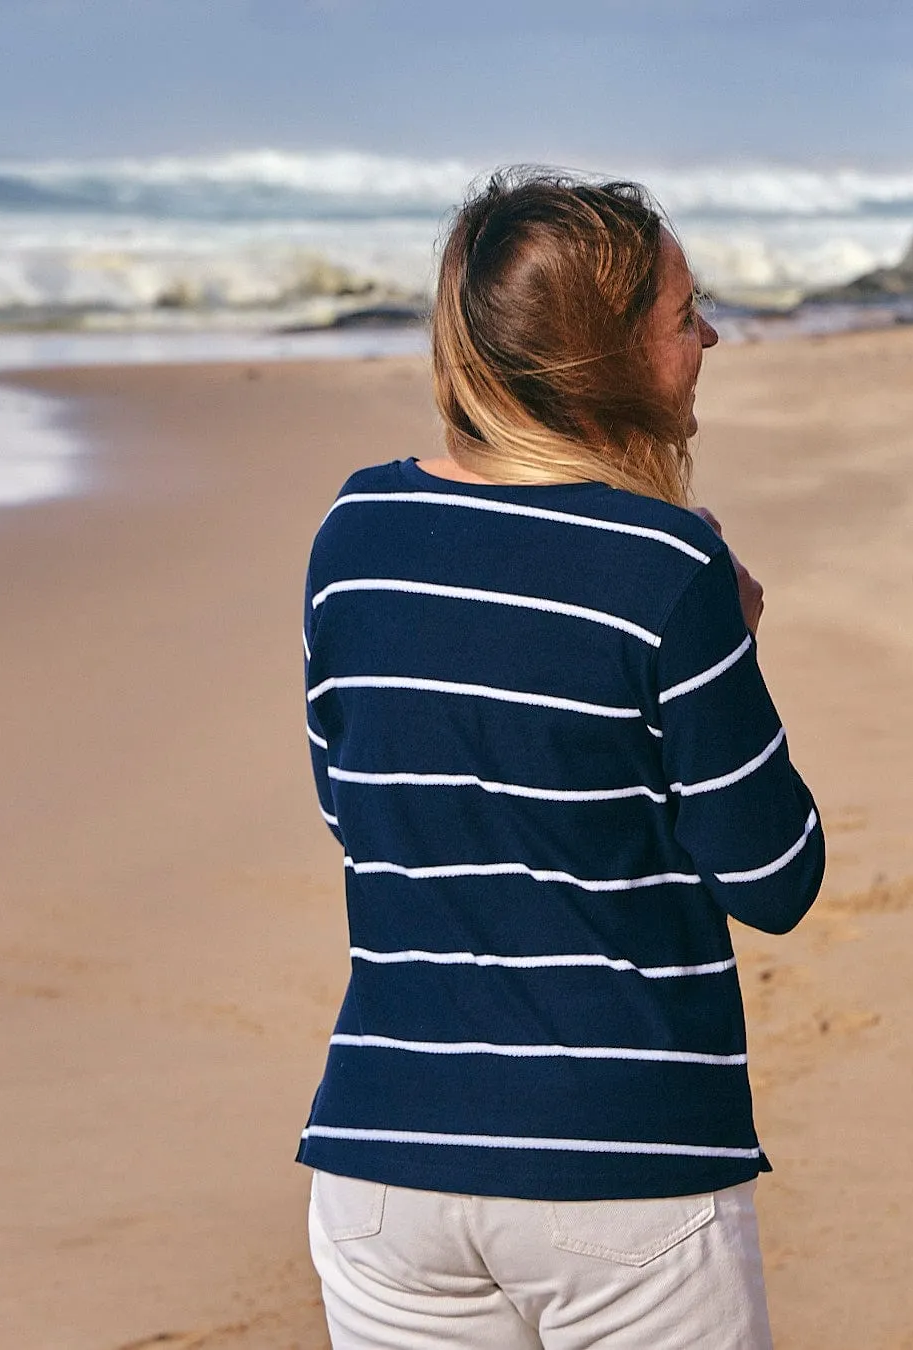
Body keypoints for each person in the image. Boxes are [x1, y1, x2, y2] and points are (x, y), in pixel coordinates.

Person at [297, 170, 824, 1348]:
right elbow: (777, 876)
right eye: (684, 315)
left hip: (385, 1160)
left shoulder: (353, 536)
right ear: (603, 353)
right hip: (624, 1164)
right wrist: (732, 651)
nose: (710, 336)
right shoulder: (669, 569)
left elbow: (361, 809)